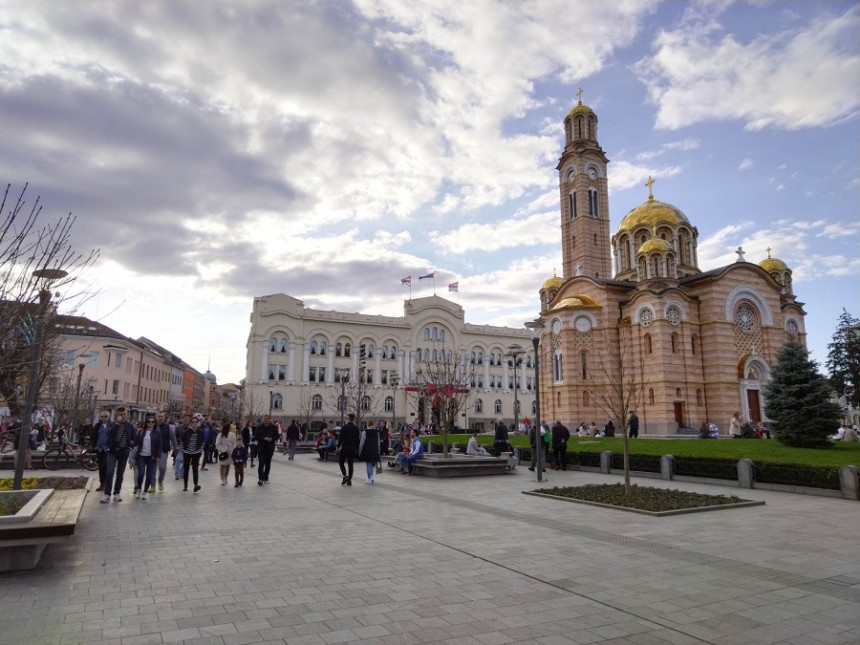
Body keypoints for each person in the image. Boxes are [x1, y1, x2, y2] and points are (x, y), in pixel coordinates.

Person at [102, 408, 136, 503]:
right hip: (112, 451)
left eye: (124, 414)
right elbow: (109, 434)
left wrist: (131, 444)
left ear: (127, 415)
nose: (123, 416)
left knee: (120, 474)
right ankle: (107, 494)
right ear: (117, 415)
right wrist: (117, 424)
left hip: (124, 452)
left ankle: (117, 493)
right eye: (121, 414)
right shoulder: (112, 424)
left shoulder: (129, 426)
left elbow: (134, 437)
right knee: (109, 472)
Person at [134, 416, 161, 500]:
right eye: (149, 421)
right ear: (146, 422)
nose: (150, 423)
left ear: (154, 423)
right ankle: (139, 489)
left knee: (149, 475)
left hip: (151, 456)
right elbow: (136, 444)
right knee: (141, 473)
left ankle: (145, 491)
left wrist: (158, 456)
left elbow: (159, 445)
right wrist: (133, 457)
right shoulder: (141, 432)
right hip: (141, 455)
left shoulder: (157, 433)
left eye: (152, 422)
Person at [154, 411, 178, 491]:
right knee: (152, 469)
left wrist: (175, 449)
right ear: (156, 417)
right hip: (152, 451)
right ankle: (152, 485)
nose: (160, 418)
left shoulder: (168, 427)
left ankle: (160, 481)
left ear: (164, 418)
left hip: (163, 450)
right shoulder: (152, 425)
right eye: (159, 416)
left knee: (162, 467)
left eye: (162, 416)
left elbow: (173, 438)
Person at [181, 416, 205, 493]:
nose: (194, 423)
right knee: (186, 469)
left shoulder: (200, 432)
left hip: (196, 453)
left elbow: (202, 442)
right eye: (193, 422)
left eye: (196, 422)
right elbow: (182, 441)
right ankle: (185, 485)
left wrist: (200, 450)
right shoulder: (187, 432)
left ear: (198, 423)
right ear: (191, 423)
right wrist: (183, 450)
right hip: (187, 453)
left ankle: (195, 485)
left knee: (195, 469)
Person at [91, 410, 112, 491]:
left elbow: (114, 437)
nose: (103, 418)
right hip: (99, 449)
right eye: (102, 416)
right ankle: (102, 483)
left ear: (108, 417)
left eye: (105, 416)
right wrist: (94, 446)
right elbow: (92, 436)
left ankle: (106, 483)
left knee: (105, 466)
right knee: (101, 467)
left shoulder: (111, 425)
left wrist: (111, 446)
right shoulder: (97, 425)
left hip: (108, 450)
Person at [338, 413, 361, 486]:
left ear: (348, 418)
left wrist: (338, 446)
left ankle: (345, 476)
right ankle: (349, 480)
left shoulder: (344, 427)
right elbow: (358, 440)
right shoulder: (356, 428)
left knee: (341, 462)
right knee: (350, 464)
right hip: (352, 448)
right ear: (353, 419)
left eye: (346, 418)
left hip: (345, 448)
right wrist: (357, 449)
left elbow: (340, 438)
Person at [255, 414, 278, 485]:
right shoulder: (259, 427)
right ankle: (260, 479)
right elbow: (256, 436)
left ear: (269, 419)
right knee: (261, 464)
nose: (265, 420)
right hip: (261, 448)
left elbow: (277, 436)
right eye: (264, 419)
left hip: (270, 448)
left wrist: (272, 439)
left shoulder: (273, 427)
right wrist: (263, 438)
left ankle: (266, 477)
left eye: (267, 419)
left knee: (267, 464)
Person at [358, 419, 381, 484]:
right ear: (373, 424)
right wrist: (378, 450)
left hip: (367, 450)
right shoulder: (376, 432)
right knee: (372, 464)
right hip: (374, 450)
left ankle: (369, 478)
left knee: (368, 464)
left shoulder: (365, 432)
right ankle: (371, 477)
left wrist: (360, 451)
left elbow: (362, 442)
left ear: (367, 424)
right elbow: (378, 442)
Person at [173, 414, 189, 480]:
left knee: (186, 461)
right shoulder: (178, 428)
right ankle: (177, 474)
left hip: (188, 446)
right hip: (179, 446)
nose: (185, 421)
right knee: (178, 460)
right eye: (184, 420)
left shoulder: (190, 429)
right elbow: (174, 437)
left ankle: (182, 473)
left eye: (187, 420)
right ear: (182, 420)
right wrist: (175, 446)